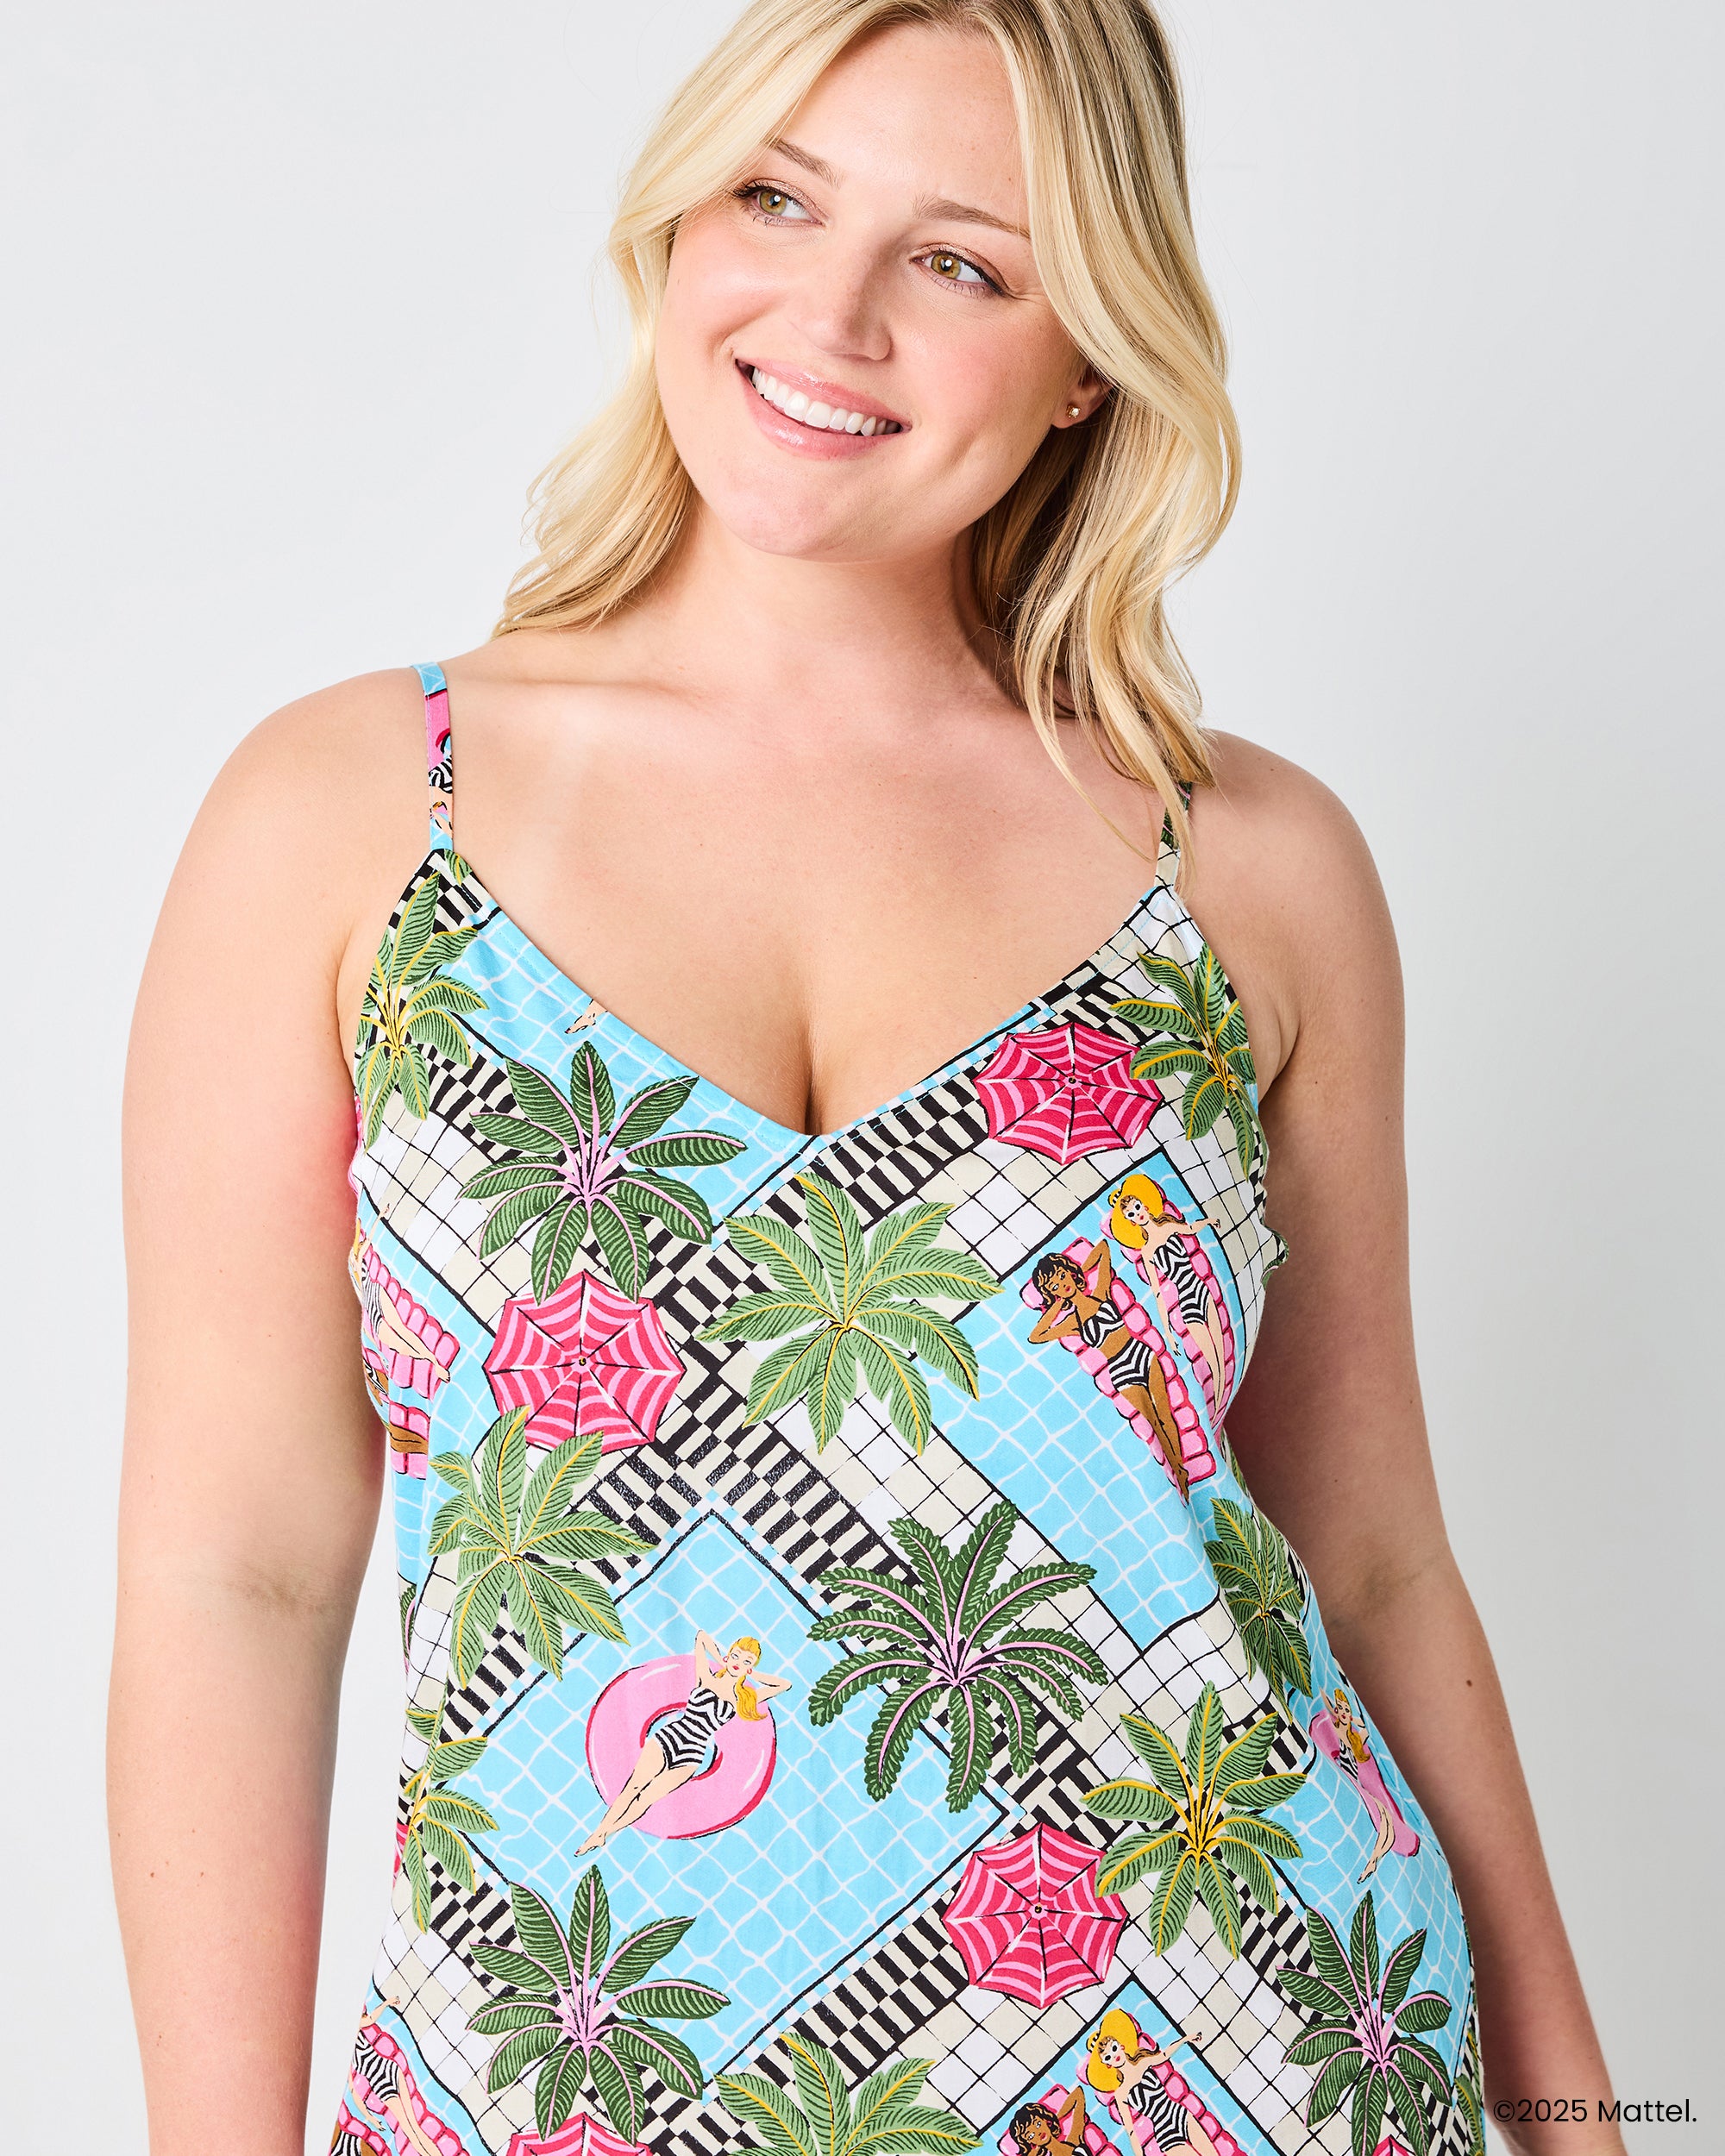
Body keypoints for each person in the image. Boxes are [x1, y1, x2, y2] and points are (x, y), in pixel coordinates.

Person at [110, 3, 1624, 2153]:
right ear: (677, 222)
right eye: (776, 196)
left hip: (1251, 2059)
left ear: (1086, 356)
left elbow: (1369, 1556)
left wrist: (1575, 2114)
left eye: (960, 260)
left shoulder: (1247, 869)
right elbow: (234, 1575)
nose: (829, 316)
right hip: (564, 2086)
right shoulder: (351, 816)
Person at [577, 1630, 788, 1851]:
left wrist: (752, 1674)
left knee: (646, 1798)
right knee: (633, 1786)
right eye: (736, 1655)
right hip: (670, 1737)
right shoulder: (706, 1677)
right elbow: (701, 1637)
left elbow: (783, 1685)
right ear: (729, 1655)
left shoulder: (744, 1698)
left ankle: (605, 1834)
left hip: (693, 1754)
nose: (738, 1663)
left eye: (747, 1661)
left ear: (750, 1667)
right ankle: (599, 1833)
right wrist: (721, 1660)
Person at [1028, 1241, 1192, 1497]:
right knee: (1153, 1422)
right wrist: (1056, 1304)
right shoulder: (1072, 1321)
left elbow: (1104, 1248)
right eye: (1055, 1286)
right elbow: (1036, 1336)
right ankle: (1178, 1474)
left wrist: (1078, 1271)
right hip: (1120, 1369)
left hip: (1139, 1353)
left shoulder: (1101, 1291)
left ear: (1069, 1270)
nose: (1062, 1283)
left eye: (1061, 1275)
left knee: (1165, 1412)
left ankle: (1181, 1469)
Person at [1084, 2011, 1216, 2156]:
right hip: (1164, 2132)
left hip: (1178, 2113)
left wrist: (1185, 2039)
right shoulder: (1121, 2093)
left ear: (1121, 2046)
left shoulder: (1143, 2062)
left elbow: (1165, 2055)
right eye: (1108, 2057)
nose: (1114, 2056)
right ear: (1107, 2064)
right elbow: (1131, 2130)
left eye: (1114, 2048)